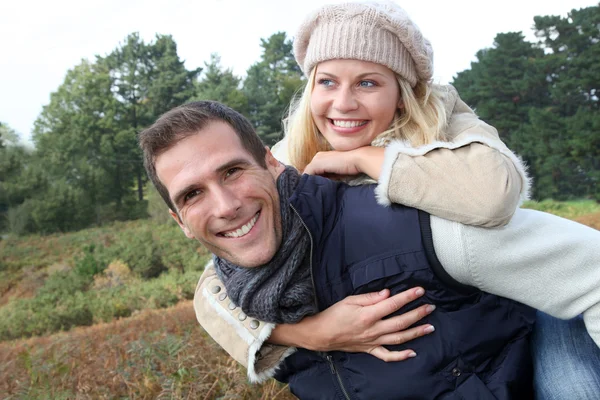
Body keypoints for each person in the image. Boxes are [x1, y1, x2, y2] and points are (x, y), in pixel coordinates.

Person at [138, 100, 600, 399]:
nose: (226, 206)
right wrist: (307, 334)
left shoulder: (414, 226)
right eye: (192, 195)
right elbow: (210, 300)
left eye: (233, 171)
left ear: (272, 162)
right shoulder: (241, 289)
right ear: (180, 223)